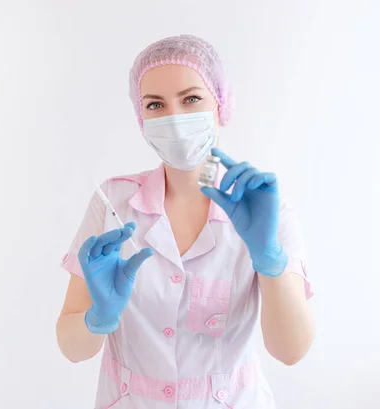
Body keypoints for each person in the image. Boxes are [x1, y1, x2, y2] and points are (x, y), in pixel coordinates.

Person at [56, 34, 315, 409]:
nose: (174, 118)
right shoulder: (113, 204)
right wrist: (98, 317)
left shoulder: (266, 210)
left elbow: (291, 351)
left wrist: (270, 259)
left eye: (191, 98)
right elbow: (70, 347)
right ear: (140, 117)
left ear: (220, 104)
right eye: (155, 104)